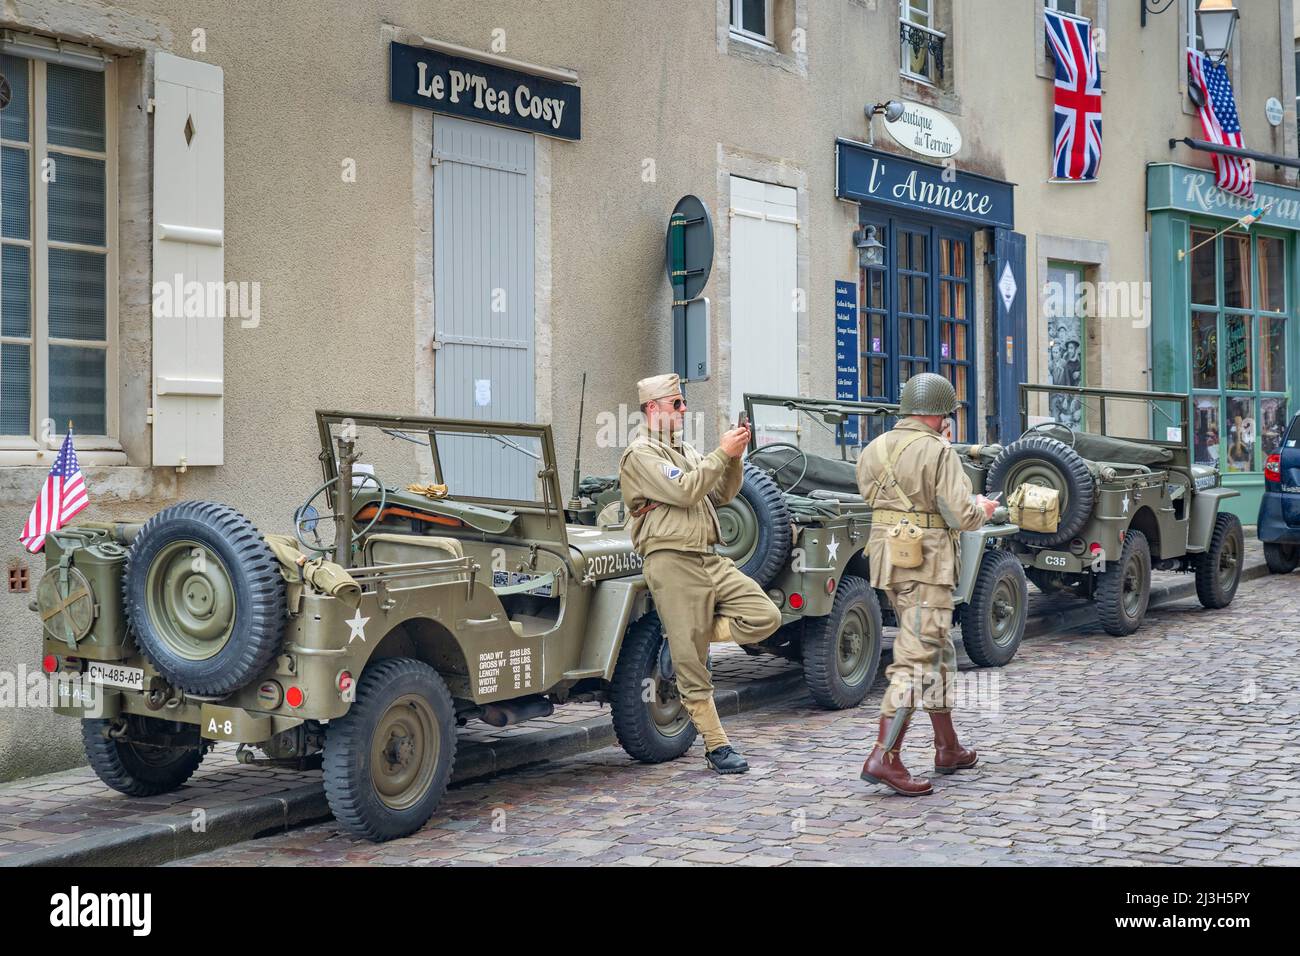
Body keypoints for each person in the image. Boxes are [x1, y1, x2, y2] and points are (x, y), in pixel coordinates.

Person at [618, 374, 782, 774]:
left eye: (682, 403)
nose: (683, 410)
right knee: (692, 667)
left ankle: (689, 633)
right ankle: (716, 746)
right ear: (654, 409)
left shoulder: (687, 451)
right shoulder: (640, 455)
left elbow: (720, 495)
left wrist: (734, 456)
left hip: (708, 558)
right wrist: (719, 454)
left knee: (765, 616)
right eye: (676, 404)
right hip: (672, 562)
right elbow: (687, 491)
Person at [856, 372, 998, 796]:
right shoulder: (938, 450)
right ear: (943, 414)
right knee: (917, 658)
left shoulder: (873, 448)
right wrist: (984, 508)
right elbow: (961, 515)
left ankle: (947, 745)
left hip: (891, 564)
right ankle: (885, 756)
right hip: (927, 567)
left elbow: (871, 499)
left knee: (936, 652)